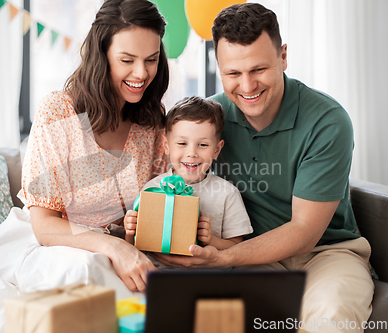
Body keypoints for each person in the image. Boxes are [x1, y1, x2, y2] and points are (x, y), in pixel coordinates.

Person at [153, 3, 374, 332]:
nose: (247, 86)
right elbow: (173, 177)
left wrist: (224, 257)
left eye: (258, 69)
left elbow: (304, 231)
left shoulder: (328, 121)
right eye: (233, 74)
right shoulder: (210, 121)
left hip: (325, 254)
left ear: (283, 56)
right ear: (219, 67)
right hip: (250, 257)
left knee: (331, 315)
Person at [0, 1, 169, 332]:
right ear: (101, 56)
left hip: (112, 248)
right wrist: (112, 245)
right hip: (40, 242)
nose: (142, 73)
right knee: (88, 268)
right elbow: (44, 226)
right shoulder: (59, 111)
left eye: (152, 59)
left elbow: (157, 208)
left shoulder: (152, 125)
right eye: (127, 60)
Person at [123, 96, 253, 261]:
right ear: (166, 145)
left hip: (203, 276)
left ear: (217, 150)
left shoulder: (227, 194)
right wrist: (130, 231)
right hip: (157, 272)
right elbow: (136, 247)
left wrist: (211, 240)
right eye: (182, 144)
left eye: (203, 145)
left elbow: (238, 247)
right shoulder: (152, 188)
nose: (192, 153)